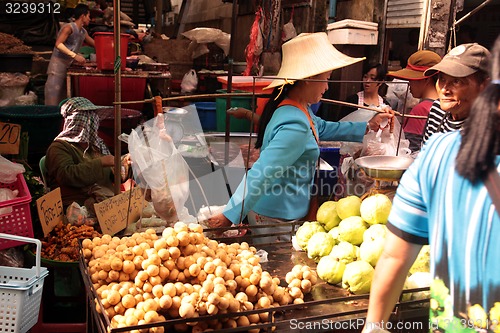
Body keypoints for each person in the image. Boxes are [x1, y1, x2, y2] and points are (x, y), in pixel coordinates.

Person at [363, 36, 498, 333]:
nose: (445, 88)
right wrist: (374, 326)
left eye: (458, 81)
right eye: (442, 79)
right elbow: (396, 254)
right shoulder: (438, 152)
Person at [206, 33, 393, 236]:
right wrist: (229, 216)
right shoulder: (294, 124)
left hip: (285, 211)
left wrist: (368, 125)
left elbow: (320, 127)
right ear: (309, 79)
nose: (327, 87)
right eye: (326, 80)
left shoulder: (299, 109)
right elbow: (262, 173)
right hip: (276, 217)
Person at [45, 97, 130, 215]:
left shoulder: (95, 146)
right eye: (86, 118)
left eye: (93, 117)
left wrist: (126, 164)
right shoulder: (59, 147)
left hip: (105, 203)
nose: (90, 123)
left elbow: (112, 176)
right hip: (76, 208)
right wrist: (101, 162)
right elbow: (66, 175)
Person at [422, 43, 490, 145]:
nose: (444, 90)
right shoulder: (437, 111)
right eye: (442, 79)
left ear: (485, 86)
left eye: (456, 81)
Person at [387, 50, 441, 152]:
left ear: (426, 79)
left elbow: (410, 149)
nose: (409, 83)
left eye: (412, 79)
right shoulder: (443, 106)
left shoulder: (421, 109)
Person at [45, 4, 95, 106]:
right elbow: (58, 44)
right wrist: (75, 55)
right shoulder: (68, 27)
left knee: (64, 98)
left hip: (68, 66)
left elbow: (96, 44)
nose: (90, 19)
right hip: (57, 66)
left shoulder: (83, 32)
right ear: (83, 16)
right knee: (53, 97)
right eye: (88, 16)